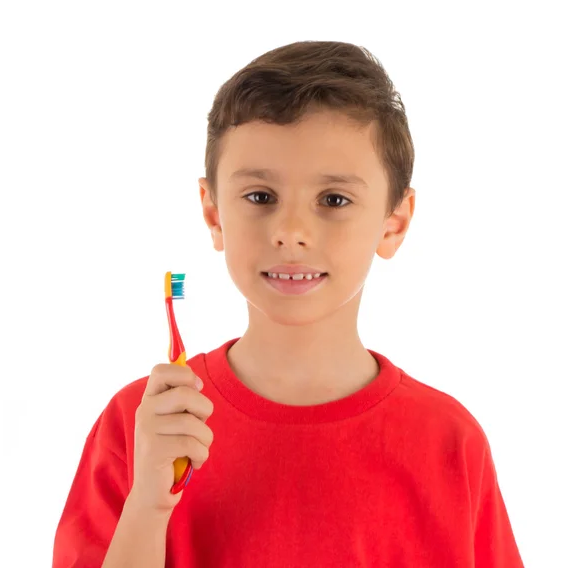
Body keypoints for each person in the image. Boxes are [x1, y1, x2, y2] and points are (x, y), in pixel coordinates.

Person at [52, 40, 524, 567]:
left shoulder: (451, 443)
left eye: (334, 200)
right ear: (213, 213)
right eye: (259, 197)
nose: (291, 232)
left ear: (395, 222)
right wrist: (148, 506)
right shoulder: (142, 423)